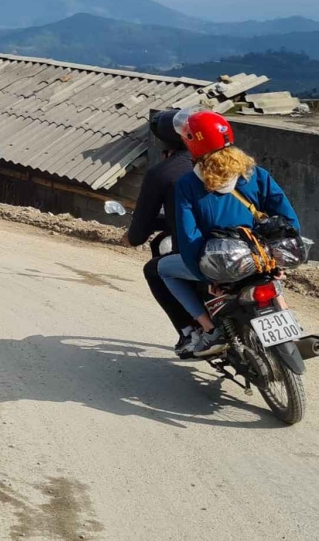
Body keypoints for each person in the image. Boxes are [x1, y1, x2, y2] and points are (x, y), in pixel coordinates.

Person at [160, 109, 302, 358]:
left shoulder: (189, 184)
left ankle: (210, 330)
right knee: (271, 278)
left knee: (163, 269)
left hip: (224, 264)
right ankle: (293, 332)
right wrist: (278, 259)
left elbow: (189, 237)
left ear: (193, 143)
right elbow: (288, 219)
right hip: (260, 257)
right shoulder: (255, 173)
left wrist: (207, 277)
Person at [126, 108, 199, 354]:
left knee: (154, 270)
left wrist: (134, 236)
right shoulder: (229, 166)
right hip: (249, 245)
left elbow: (138, 234)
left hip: (202, 252)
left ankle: (190, 330)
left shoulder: (164, 173)